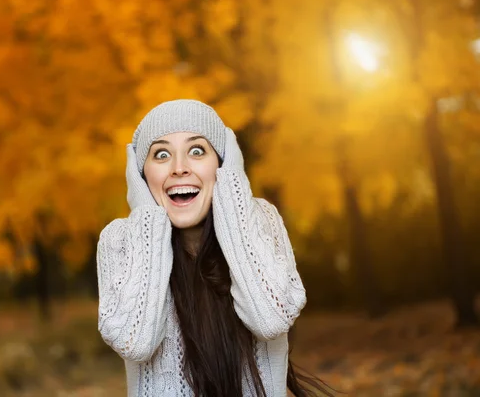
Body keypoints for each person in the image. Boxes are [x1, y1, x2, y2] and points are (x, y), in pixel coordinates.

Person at [97, 99, 331, 396]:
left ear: (222, 165)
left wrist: (232, 196)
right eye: (161, 154)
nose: (179, 168)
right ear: (141, 176)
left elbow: (270, 320)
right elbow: (135, 341)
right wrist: (146, 218)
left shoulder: (261, 221)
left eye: (197, 151)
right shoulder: (119, 241)